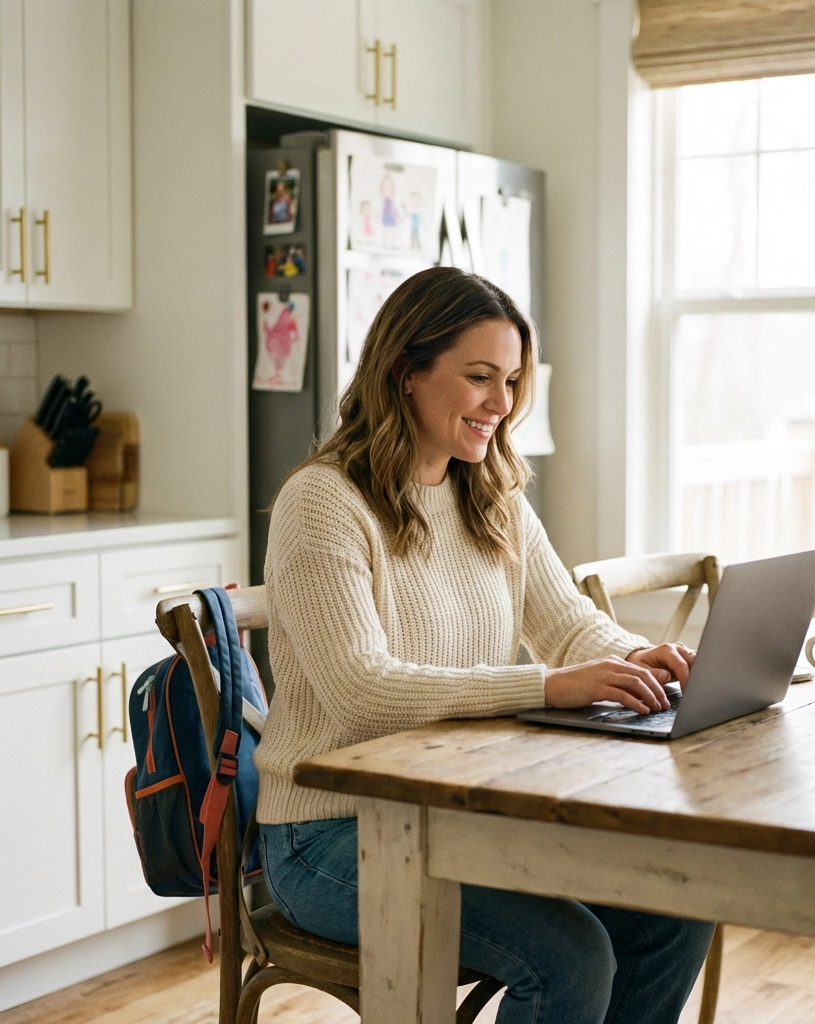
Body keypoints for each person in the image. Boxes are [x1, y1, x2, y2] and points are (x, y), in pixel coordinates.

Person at [254, 266, 715, 1024]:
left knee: (678, 905)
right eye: (479, 378)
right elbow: (362, 691)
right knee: (567, 958)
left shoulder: (491, 492)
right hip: (328, 832)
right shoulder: (323, 502)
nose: (501, 405)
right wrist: (545, 685)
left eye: (510, 380)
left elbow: (566, 622)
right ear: (406, 371)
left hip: (461, 815)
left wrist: (635, 657)